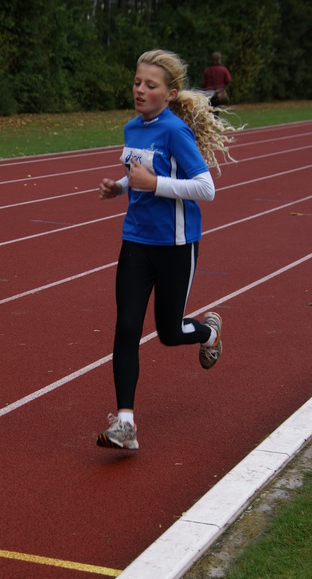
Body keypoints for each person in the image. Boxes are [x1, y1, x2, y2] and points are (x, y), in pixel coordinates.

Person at [96, 49, 235, 451]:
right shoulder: (131, 128)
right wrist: (119, 187)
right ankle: (126, 425)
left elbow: (206, 189)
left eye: (150, 85)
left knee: (170, 333)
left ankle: (209, 331)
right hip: (136, 240)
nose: (140, 90)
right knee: (126, 328)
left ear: (170, 93)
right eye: (137, 82)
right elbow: (137, 173)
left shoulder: (176, 132)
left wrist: (153, 185)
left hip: (176, 245)